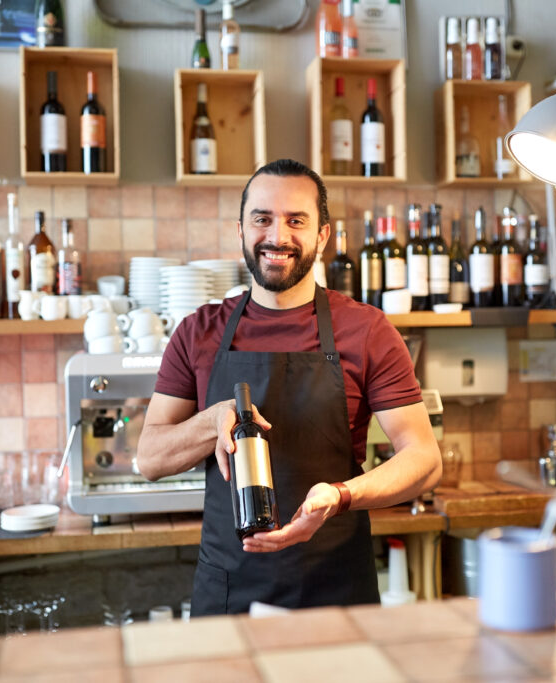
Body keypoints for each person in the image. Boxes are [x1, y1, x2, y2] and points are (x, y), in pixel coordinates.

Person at [136, 158, 441, 616]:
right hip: (228, 594)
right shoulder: (199, 332)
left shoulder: (367, 330)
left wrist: (340, 495)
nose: (277, 237)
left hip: (335, 591)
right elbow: (149, 459)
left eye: (295, 220)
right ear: (240, 229)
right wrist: (212, 419)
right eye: (262, 219)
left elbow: (424, 459)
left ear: (322, 235)